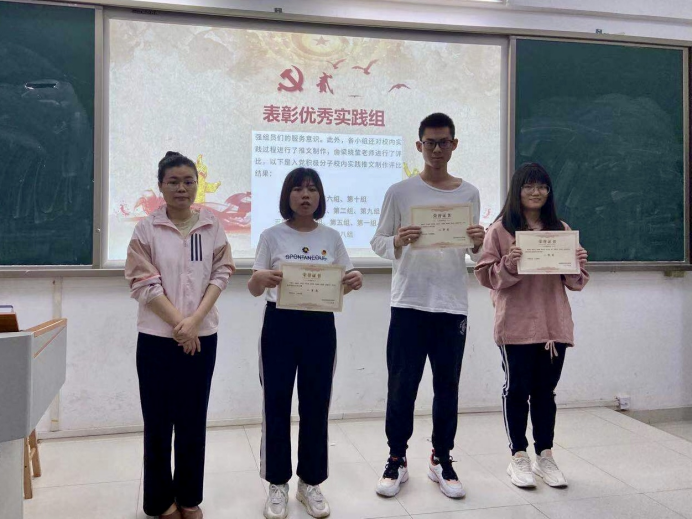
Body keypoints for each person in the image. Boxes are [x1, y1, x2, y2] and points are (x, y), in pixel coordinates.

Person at [371, 113, 485, 499]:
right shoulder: (400, 192)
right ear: (419, 146)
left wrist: (478, 242)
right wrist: (397, 240)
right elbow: (378, 241)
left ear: (455, 145)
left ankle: (442, 457)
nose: (437, 149)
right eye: (430, 143)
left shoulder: (469, 193)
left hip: (451, 305)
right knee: (401, 386)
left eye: (444, 142)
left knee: (447, 387)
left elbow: (474, 253)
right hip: (409, 302)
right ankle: (396, 457)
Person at [125, 151, 235, 519]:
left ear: (197, 185)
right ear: (160, 186)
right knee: (158, 422)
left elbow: (222, 272)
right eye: (173, 181)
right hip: (156, 339)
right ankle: (161, 501)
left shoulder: (211, 225)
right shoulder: (146, 229)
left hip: (203, 336)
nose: (181, 188)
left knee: (192, 420)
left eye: (188, 181)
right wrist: (180, 325)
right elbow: (143, 282)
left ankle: (189, 497)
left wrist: (195, 321)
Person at [248, 168, 363, 519]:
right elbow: (253, 287)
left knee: (316, 404)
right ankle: (277, 483)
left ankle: (310, 483)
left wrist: (352, 281)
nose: (305, 195)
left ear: (320, 197)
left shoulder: (332, 236)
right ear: (288, 195)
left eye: (312, 189)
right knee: (276, 404)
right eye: (298, 189)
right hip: (279, 325)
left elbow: (342, 282)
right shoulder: (271, 236)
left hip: (319, 326)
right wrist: (259, 278)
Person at [474, 162, 589, 489]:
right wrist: (508, 264)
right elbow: (485, 276)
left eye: (542, 186)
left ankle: (545, 456)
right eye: (529, 186)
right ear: (517, 190)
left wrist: (577, 264)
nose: (536, 192)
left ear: (549, 192)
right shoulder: (500, 230)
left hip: (553, 326)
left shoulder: (561, 230)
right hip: (516, 326)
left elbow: (576, 283)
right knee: (517, 390)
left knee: (545, 393)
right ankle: (518, 456)